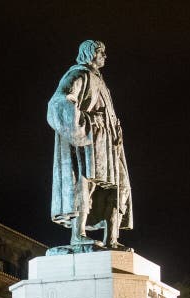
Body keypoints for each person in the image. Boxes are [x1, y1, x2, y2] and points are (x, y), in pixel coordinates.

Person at [47, 40, 133, 249]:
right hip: (89, 140)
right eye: (101, 52)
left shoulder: (100, 80)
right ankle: (78, 234)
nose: (104, 56)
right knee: (84, 184)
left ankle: (111, 238)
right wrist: (81, 125)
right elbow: (58, 100)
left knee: (120, 187)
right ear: (90, 54)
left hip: (109, 143)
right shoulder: (79, 74)